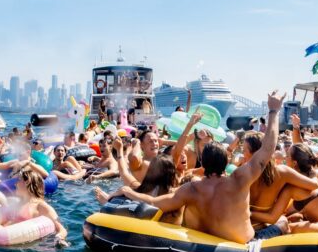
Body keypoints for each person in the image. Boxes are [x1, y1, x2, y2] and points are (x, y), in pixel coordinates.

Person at [119, 91, 288, 244]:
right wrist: (274, 111)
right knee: (283, 222)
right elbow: (267, 149)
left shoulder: (191, 188)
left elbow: (154, 203)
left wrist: (129, 192)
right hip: (243, 247)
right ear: (226, 162)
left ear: (203, 164)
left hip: (202, 248)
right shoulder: (239, 179)